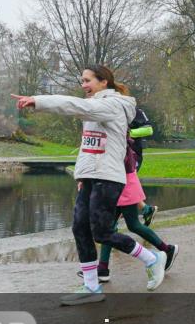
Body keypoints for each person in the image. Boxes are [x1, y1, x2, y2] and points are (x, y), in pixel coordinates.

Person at [12, 65, 167, 305]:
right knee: (79, 228)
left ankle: (152, 259)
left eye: (87, 81)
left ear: (104, 82)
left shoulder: (112, 105)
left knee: (102, 232)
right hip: (92, 177)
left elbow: (76, 106)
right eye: (81, 81)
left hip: (109, 177)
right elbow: (89, 146)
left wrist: (38, 101)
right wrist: (82, 176)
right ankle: (92, 287)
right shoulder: (96, 107)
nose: (83, 85)